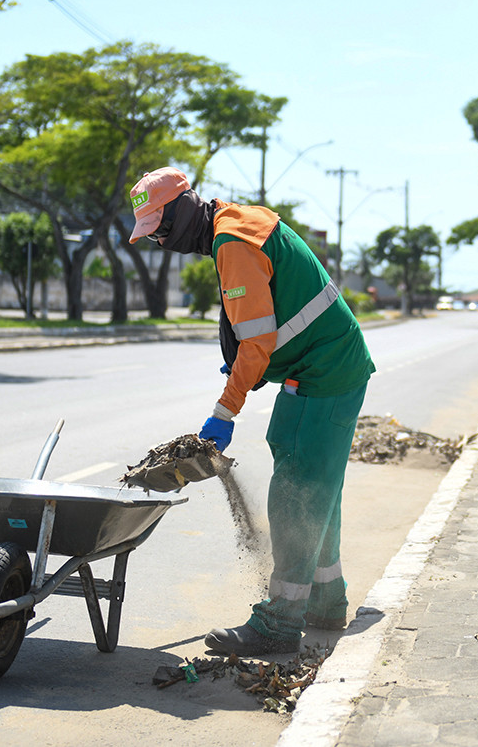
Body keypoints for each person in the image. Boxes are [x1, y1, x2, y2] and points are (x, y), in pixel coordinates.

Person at [128, 166, 376, 654]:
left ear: (180, 211)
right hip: (319, 370)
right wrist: (246, 367)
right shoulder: (235, 223)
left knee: (297, 494)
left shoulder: (233, 243)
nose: (159, 241)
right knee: (316, 488)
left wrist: (225, 410)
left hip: (324, 374)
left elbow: (258, 340)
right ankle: (326, 602)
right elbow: (270, 322)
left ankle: (280, 623)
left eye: (159, 229)